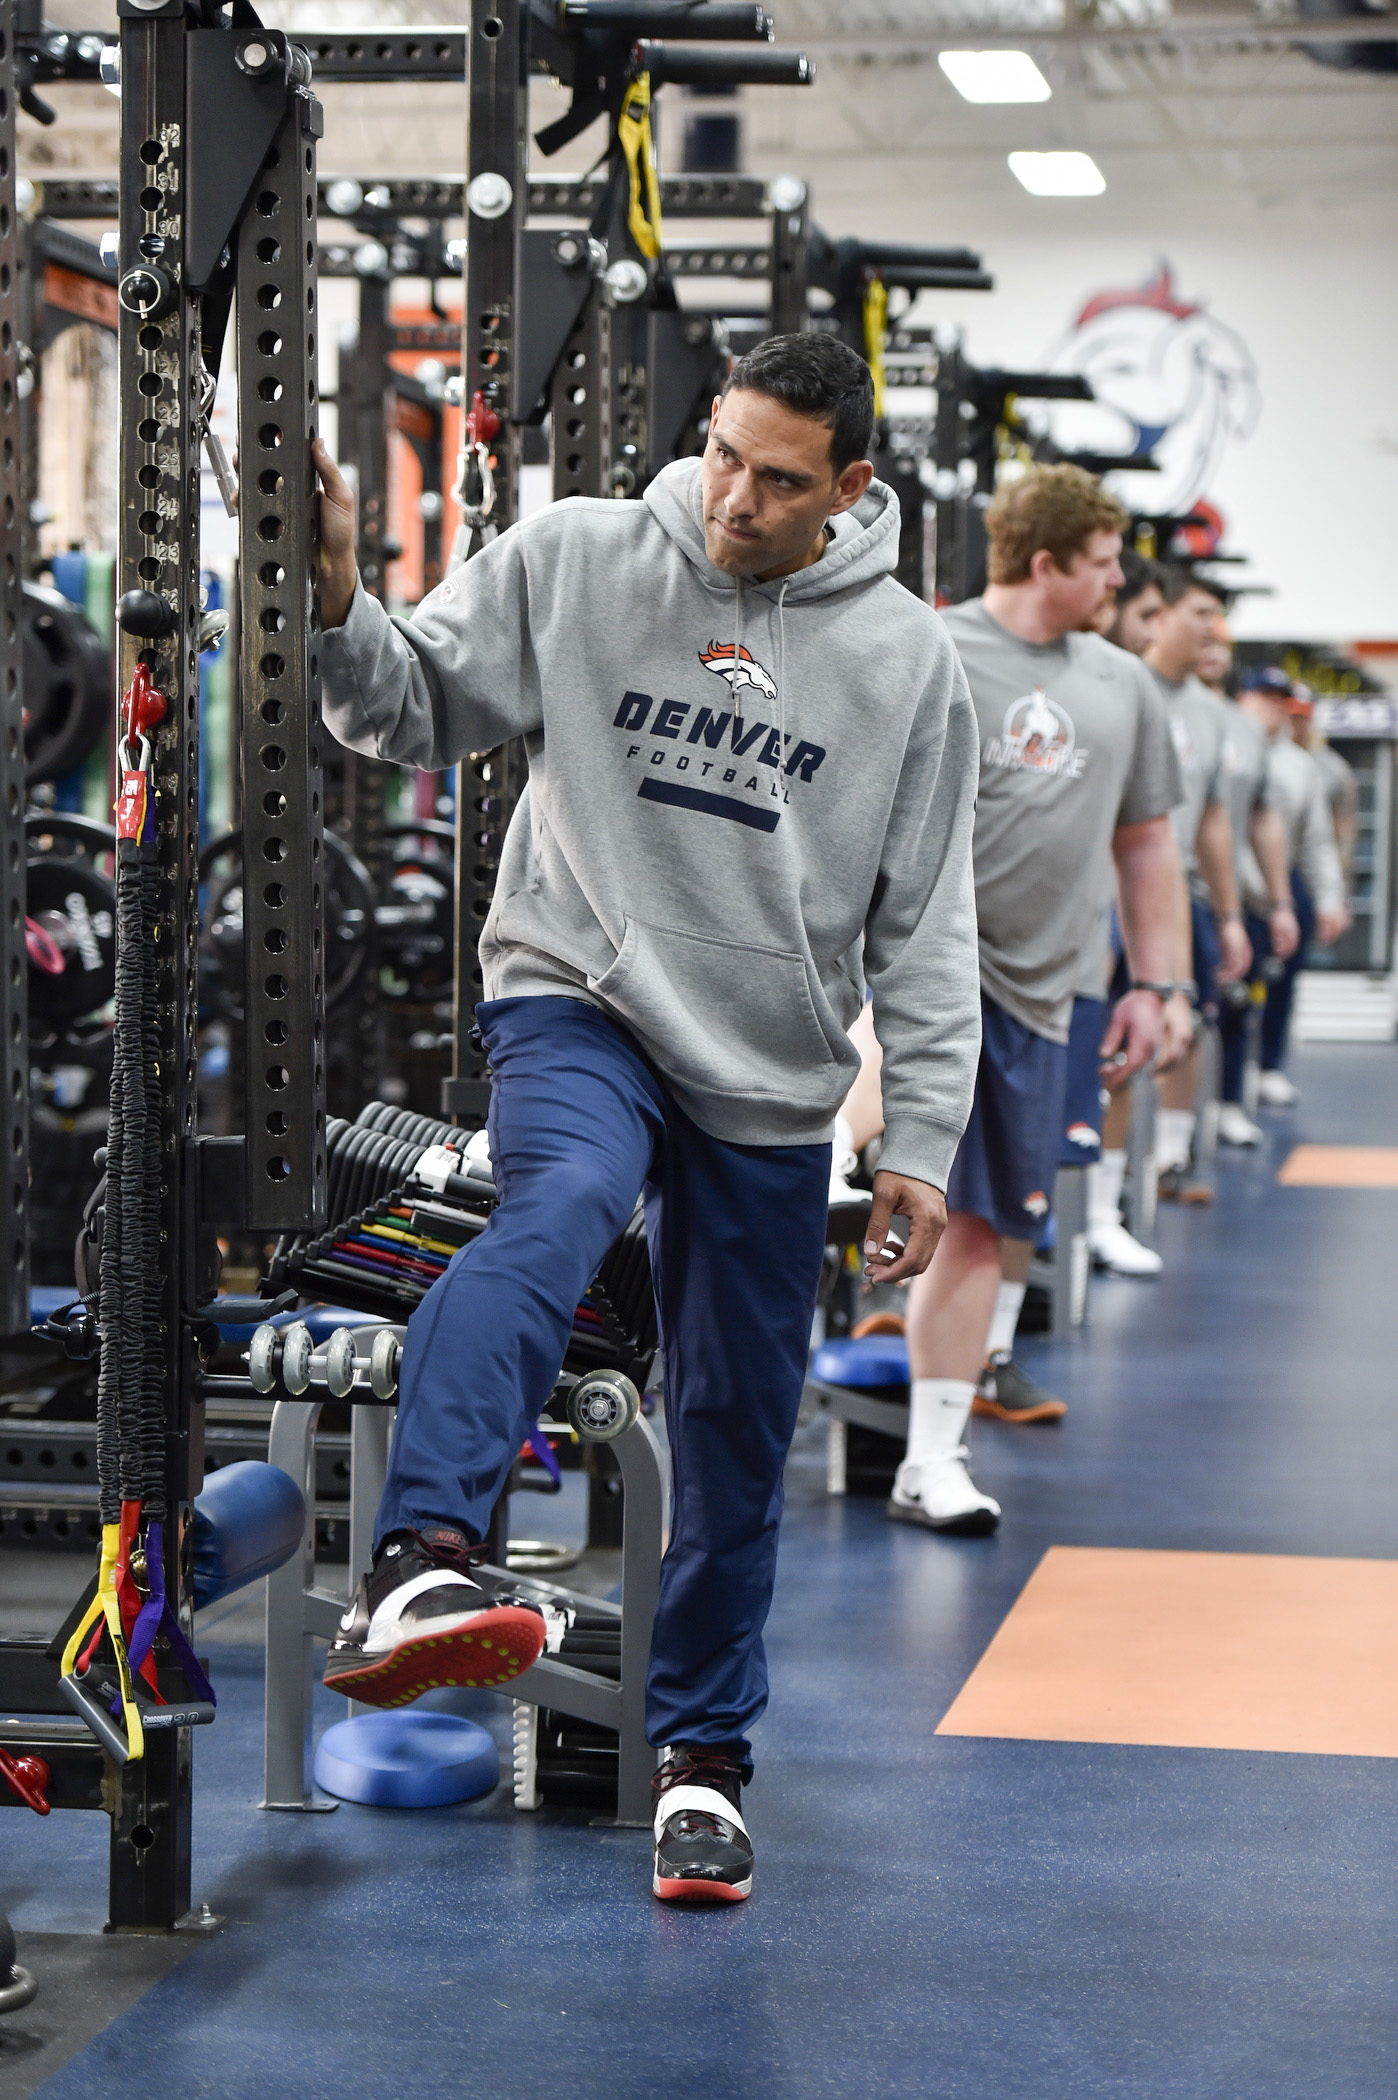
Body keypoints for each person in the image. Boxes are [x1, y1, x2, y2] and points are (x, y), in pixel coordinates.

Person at [311, 332, 983, 1905]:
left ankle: (700, 1763)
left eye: (781, 479)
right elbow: (400, 708)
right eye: (725, 455)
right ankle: (422, 1561)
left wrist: (923, 1142)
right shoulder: (580, 555)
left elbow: (927, 928)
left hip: (767, 1066)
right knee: (551, 1211)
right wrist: (338, 596)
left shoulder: (904, 664)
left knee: (739, 1424)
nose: (736, 499)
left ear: (851, 489)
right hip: (579, 992)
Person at [892, 465, 1183, 1531]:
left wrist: (1157, 985)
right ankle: (927, 1446)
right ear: (1049, 560)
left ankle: (933, 1454)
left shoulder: (1121, 684)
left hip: (1050, 992)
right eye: (1105, 563)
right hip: (923, 980)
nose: (1120, 584)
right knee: (946, 1217)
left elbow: (1148, 847)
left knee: (991, 1222)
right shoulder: (933, 647)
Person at [1140, 568, 1251, 1195]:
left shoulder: (1213, 715)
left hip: (1181, 893)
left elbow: (1213, 822)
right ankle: (1099, 1193)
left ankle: (1168, 1162)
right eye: (1202, 612)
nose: (1215, 628)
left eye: (1218, 615)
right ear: (1162, 617)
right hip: (1111, 891)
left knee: (1192, 1022)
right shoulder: (1126, 683)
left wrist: (1232, 914)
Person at [1223, 668, 1349, 1124]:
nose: (1273, 709)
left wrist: (1328, 898)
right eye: (1264, 698)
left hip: (1274, 888)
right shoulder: (1229, 746)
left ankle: (1267, 1066)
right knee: (1230, 997)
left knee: (1278, 980)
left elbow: (1316, 839)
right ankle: (1224, 1097)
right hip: (1229, 890)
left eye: (1281, 701)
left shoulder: (1300, 767)